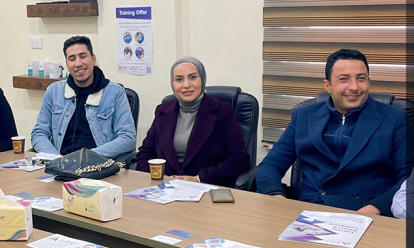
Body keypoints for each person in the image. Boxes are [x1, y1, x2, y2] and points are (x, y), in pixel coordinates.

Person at [256, 49, 408, 215]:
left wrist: (375, 208)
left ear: (369, 81)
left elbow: (407, 178)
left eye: (361, 79)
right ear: (327, 85)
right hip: (310, 210)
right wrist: (277, 198)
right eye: (344, 79)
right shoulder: (304, 116)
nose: (354, 87)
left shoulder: (394, 118)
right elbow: (271, 165)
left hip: (367, 211)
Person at [135, 57, 250, 187]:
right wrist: (160, 177)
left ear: (202, 79)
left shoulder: (222, 112)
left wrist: (199, 179)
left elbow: (240, 158)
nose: (186, 85)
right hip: (165, 187)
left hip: (206, 187)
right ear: (172, 83)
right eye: (179, 79)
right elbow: (145, 154)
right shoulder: (163, 111)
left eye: (193, 77)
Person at [31, 35, 136, 159]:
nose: (78, 63)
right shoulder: (54, 91)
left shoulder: (115, 93)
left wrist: (84, 158)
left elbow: (127, 138)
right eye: (72, 59)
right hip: (59, 162)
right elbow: (39, 133)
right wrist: (56, 159)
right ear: (67, 64)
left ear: (93, 59)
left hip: (96, 163)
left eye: (83, 56)